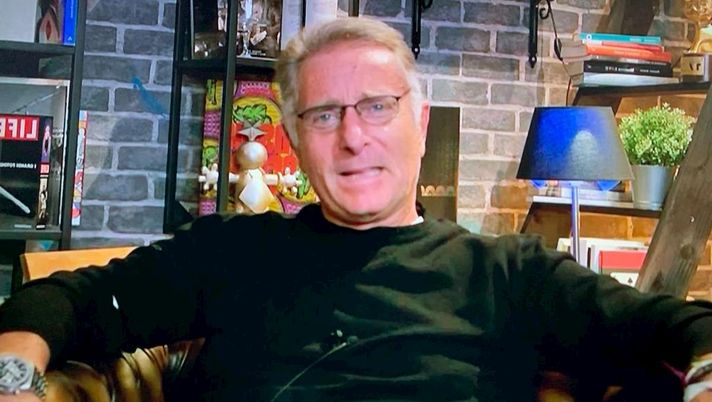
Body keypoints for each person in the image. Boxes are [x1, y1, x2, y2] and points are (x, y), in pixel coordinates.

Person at [1, 17, 712, 402]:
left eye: (376, 106)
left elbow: (677, 328)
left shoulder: (506, 272)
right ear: (293, 139)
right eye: (324, 114)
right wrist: (15, 378)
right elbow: (65, 300)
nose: (353, 137)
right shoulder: (231, 254)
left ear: (420, 123)